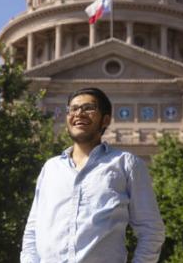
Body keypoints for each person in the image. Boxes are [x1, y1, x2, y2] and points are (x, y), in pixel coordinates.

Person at [20, 87, 165, 263]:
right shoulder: (50, 168)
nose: (79, 113)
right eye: (73, 109)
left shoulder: (126, 165)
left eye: (88, 108)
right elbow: (33, 231)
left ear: (105, 120)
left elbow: (151, 230)